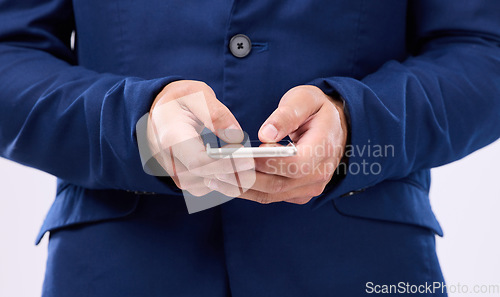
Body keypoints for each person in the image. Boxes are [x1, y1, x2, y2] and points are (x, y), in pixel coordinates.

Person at [0, 0, 499, 296]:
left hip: (363, 267)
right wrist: (136, 125)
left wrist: (356, 123)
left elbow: (483, 50)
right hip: (119, 269)